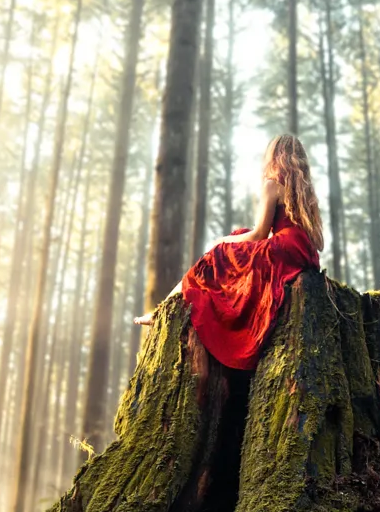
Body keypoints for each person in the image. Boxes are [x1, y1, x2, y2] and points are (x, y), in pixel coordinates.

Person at [135, 134, 325, 371]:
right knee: (238, 236)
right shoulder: (306, 193)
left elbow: (259, 235)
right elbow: (318, 243)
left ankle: (165, 307)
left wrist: (222, 242)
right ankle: (170, 303)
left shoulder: (273, 185)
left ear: (275, 157)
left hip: (282, 247)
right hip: (303, 253)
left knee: (219, 254)